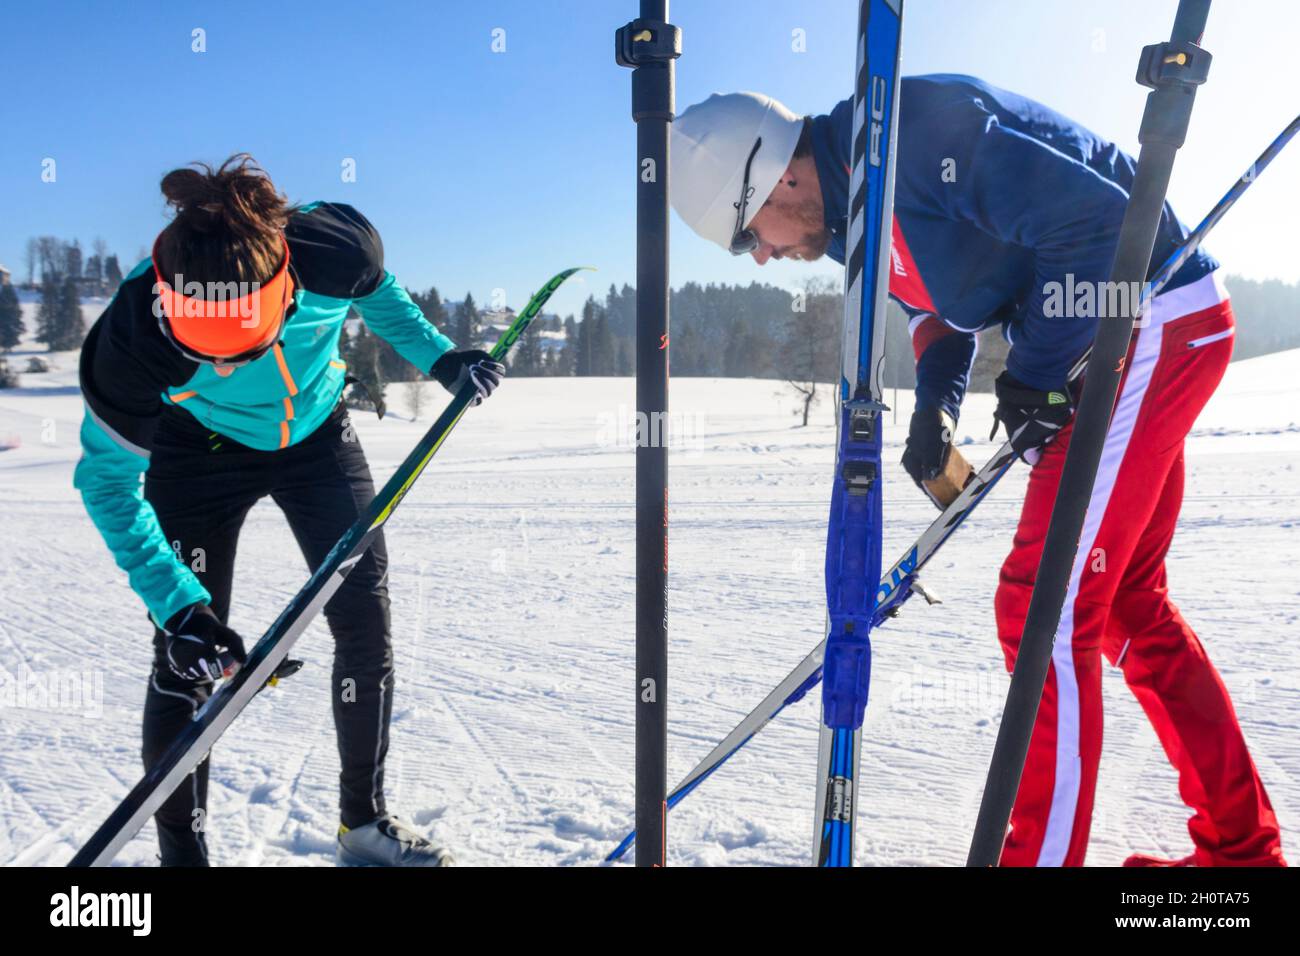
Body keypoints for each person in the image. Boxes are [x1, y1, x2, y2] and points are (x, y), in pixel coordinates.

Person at [669, 78, 1285, 867]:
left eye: (743, 234)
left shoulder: (913, 137)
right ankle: (1242, 850)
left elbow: (1097, 224)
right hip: (1123, 344)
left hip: (1149, 320)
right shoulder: (861, 213)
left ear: (776, 177)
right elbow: (941, 312)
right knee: (1126, 600)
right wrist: (936, 409)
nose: (760, 255)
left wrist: (1038, 369)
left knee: (1043, 610)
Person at [75, 155, 504, 866]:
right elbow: (108, 485)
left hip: (316, 437)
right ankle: (184, 858)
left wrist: (441, 359)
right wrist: (179, 608)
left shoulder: (333, 247)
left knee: (364, 616)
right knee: (186, 658)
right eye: (199, 349)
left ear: (284, 289)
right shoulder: (132, 335)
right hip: (197, 450)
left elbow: (382, 294)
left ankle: (362, 825)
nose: (219, 366)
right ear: (168, 302)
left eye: (239, 350)